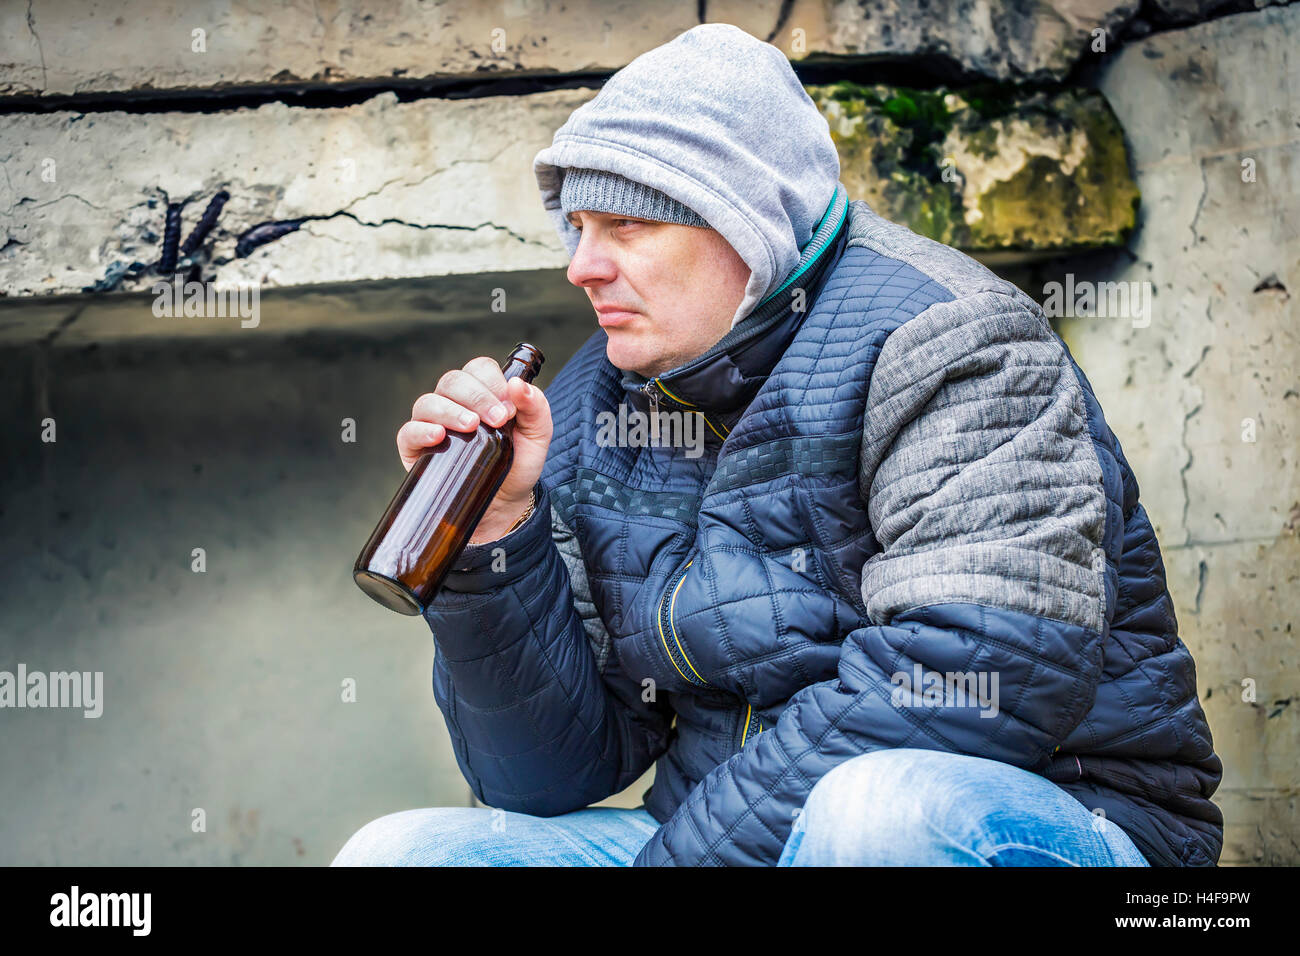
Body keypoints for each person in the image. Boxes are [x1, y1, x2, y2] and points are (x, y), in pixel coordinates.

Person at [332, 23, 1223, 867]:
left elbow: (970, 674)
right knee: (408, 853)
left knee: (874, 811)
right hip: (722, 834)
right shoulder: (599, 394)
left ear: (748, 222)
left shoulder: (950, 341)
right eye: (579, 227)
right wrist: (495, 538)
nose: (581, 265)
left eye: (628, 227)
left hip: (1039, 815)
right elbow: (546, 776)